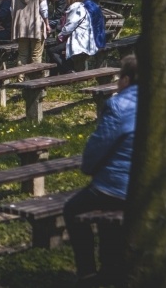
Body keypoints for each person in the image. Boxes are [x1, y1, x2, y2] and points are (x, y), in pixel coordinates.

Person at [63, 55, 137, 286]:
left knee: (73, 209)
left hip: (119, 185)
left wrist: (88, 168)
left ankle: (87, 273)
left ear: (125, 79)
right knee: (108, 217)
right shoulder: (160, 101)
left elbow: (99, 145)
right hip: (152, 183)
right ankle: (112, 268)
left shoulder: (118, 104)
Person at [47, 0, 99, 74]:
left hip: (79, 41)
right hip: (84, 40)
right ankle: (57, 74)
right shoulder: (82, 7)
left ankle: (68, 71)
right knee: (56, 50)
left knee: (51, 50)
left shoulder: (75, 8)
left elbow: (70, 26)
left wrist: (59, 35)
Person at [11, 0, 50, 67]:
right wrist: (47, 24)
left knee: (22, 55)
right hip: (36, 26)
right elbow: (44, 9)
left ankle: (20, 79)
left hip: (21, 26)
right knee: (36, 55)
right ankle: (34, 81)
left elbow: (12, 8)